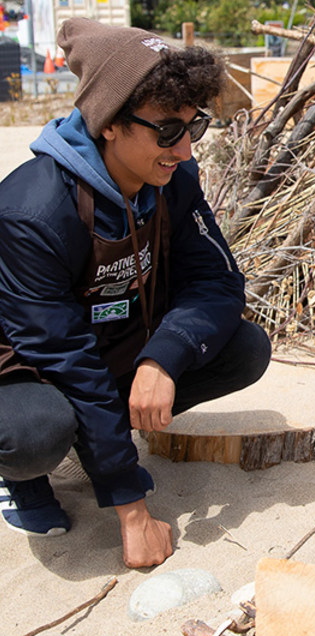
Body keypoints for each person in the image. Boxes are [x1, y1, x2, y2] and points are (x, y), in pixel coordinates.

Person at [0, 19, 271, 568]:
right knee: (34, 435)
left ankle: (94, 440)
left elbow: (218, 281)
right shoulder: (34, 213)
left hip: (112, 339)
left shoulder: (171, 177)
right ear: (109, 124)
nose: (185, 146)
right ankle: (22, 479)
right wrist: (131, 508)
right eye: (167, 130)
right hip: (28, 368)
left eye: (195, 125)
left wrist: (163, 361)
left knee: (245, 349)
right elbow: (64, 357)